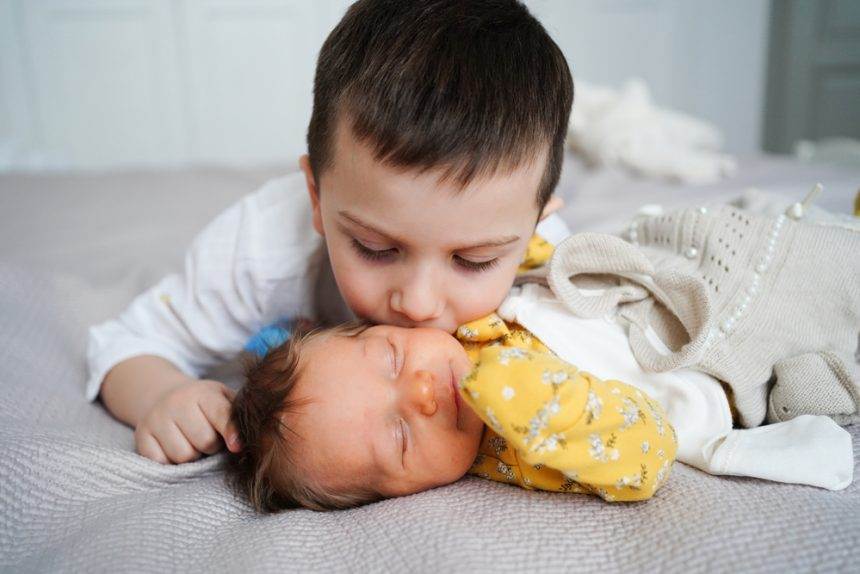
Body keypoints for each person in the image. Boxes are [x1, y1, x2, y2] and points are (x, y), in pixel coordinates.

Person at [86, 0, 574, 465]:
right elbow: (127, 345)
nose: (419, 304)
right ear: (317, 199)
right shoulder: (261, 252)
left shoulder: (552, 263)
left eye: (473, 261)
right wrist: (163, 394)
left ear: (533, 225)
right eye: (376, 248)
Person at [226, 314, 678, 511]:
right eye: (400, 436)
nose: (422, 393)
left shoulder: (454, 313)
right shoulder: (522, 455)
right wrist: (549, 410)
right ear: (399, 496)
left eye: (392, 359)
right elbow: (651, 453)